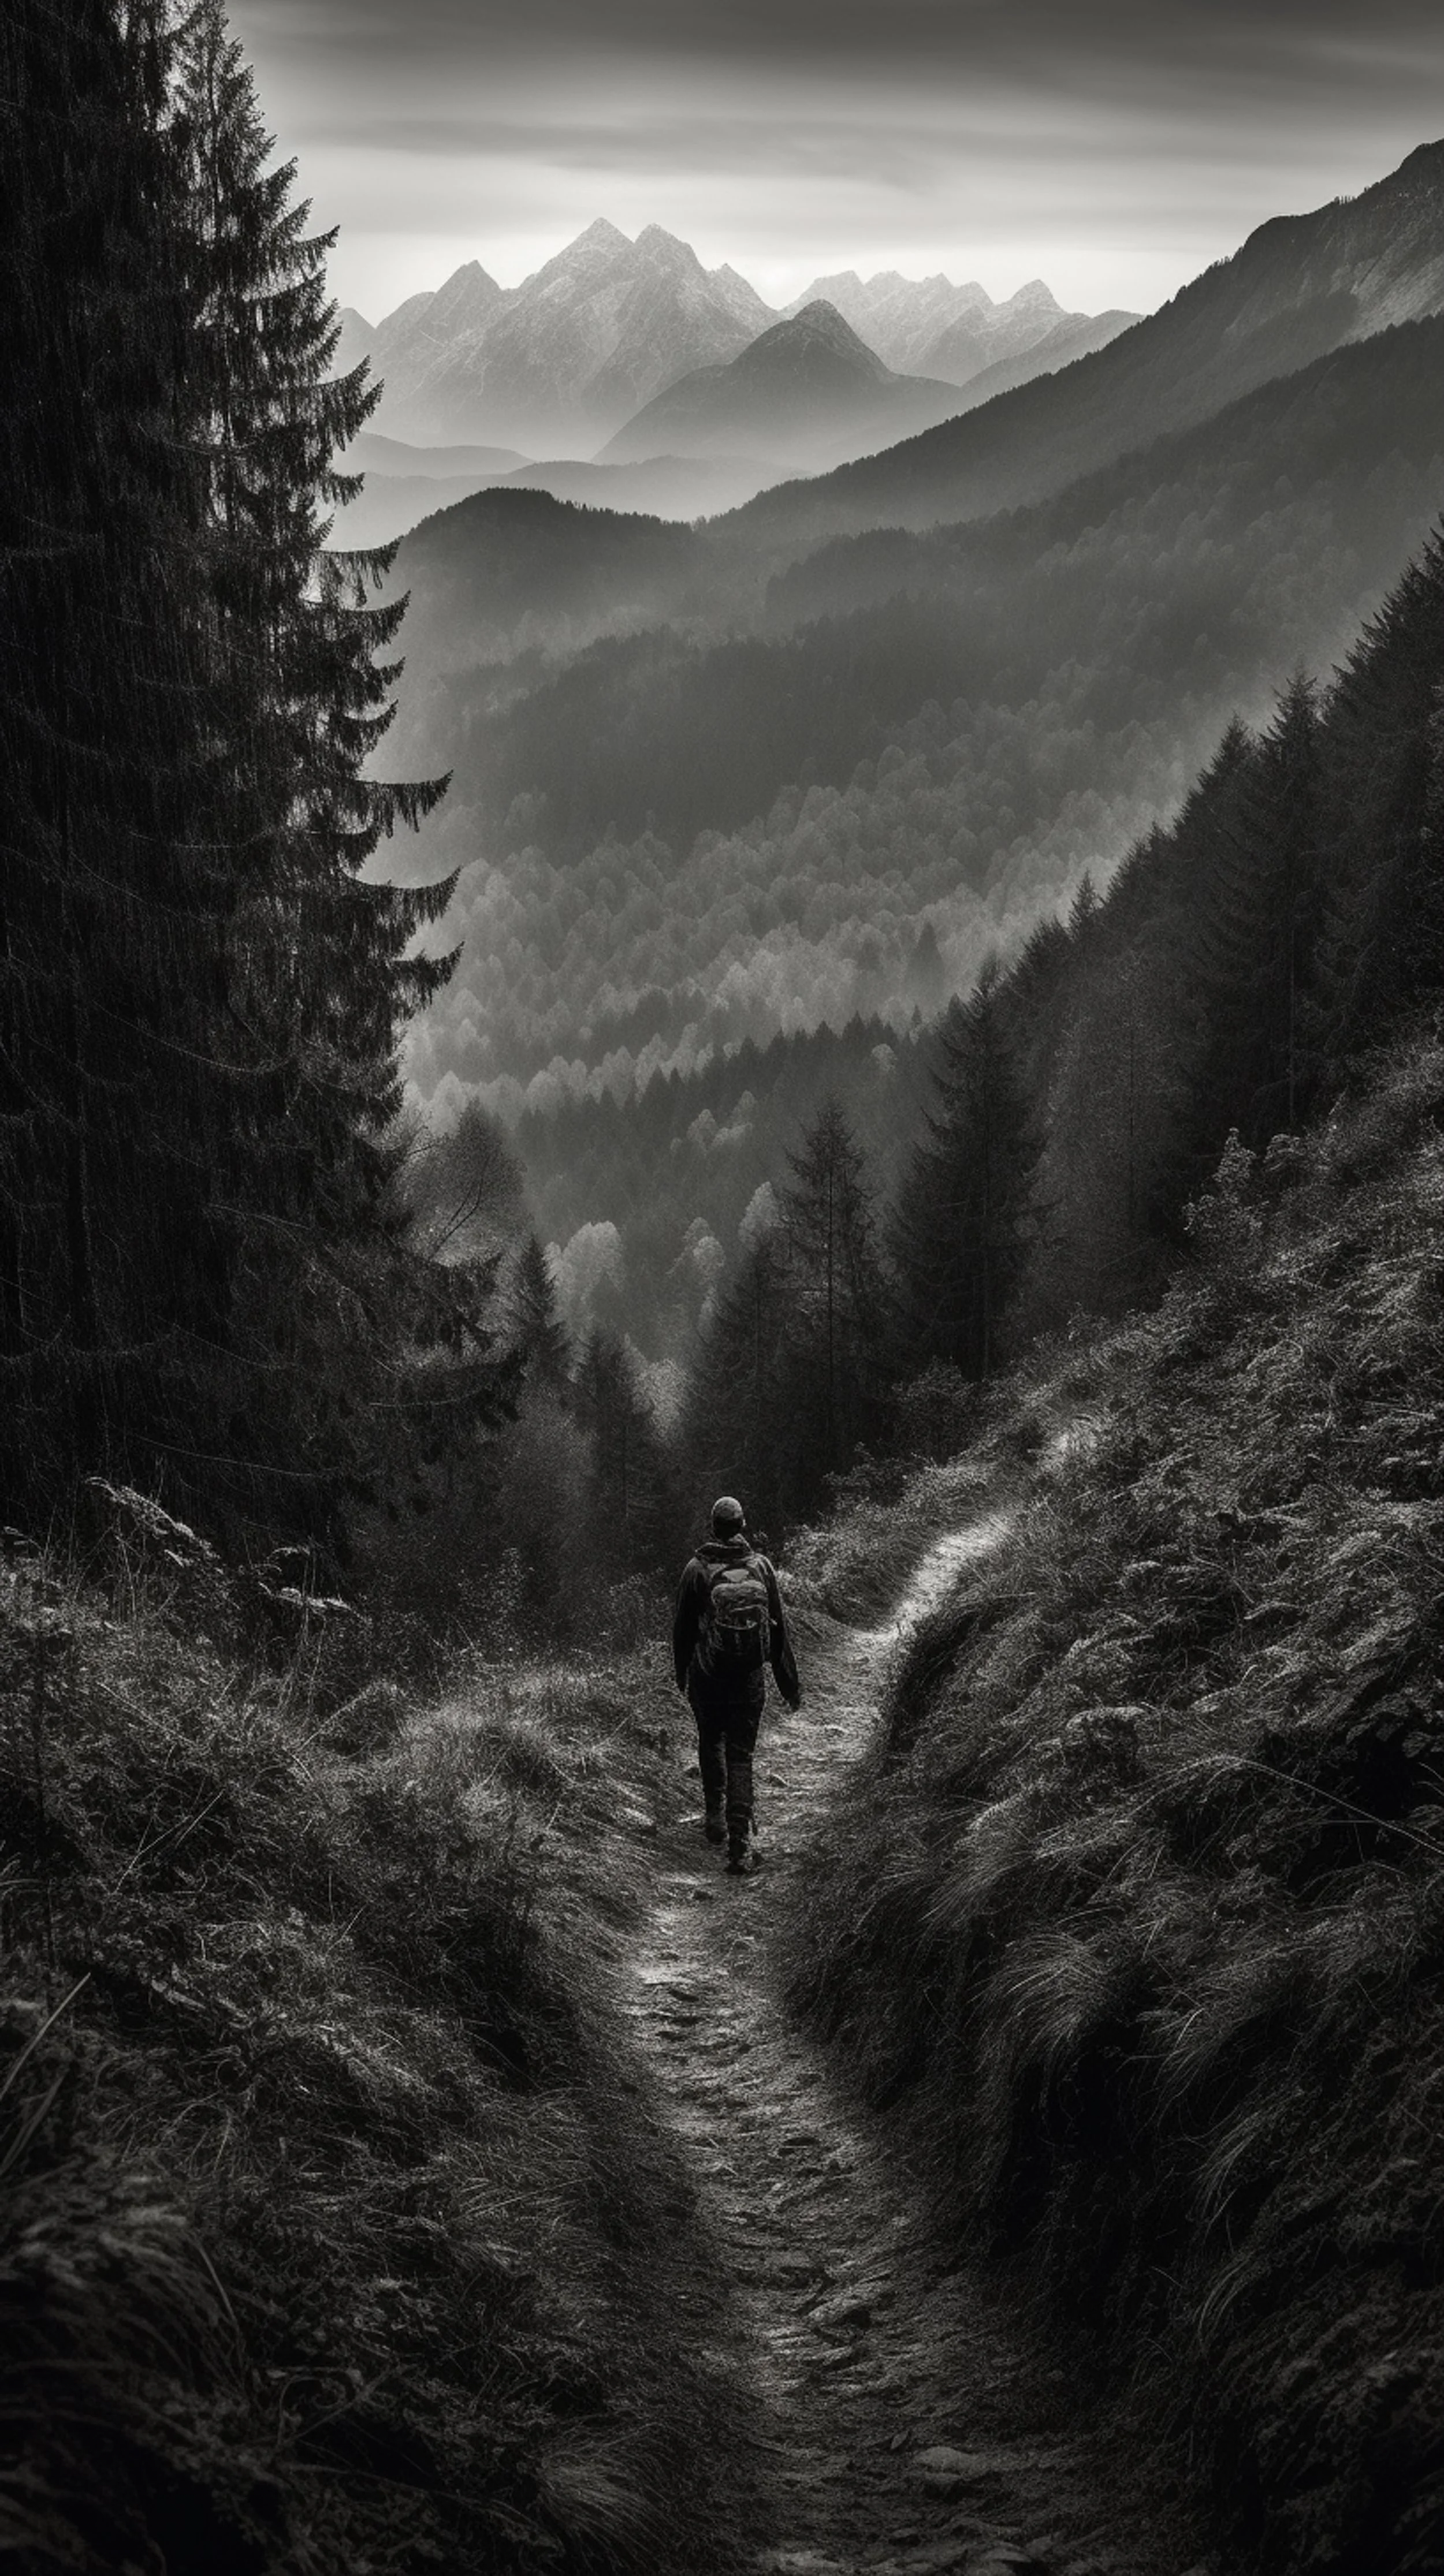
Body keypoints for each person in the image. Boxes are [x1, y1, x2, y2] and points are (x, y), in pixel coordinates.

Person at [672, 1494, 800, 1874]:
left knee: (710, 1740)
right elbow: (778, 1629)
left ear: (713, 1528)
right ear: (743, 1526)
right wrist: (789, 1684)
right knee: (741, 1755)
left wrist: (682, 1674)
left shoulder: (696, 1569)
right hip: (748, 1679)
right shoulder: (761, 1567)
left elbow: (682, 1629)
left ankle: (714, 1816)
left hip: (708, 1676)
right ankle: (740, 1846)